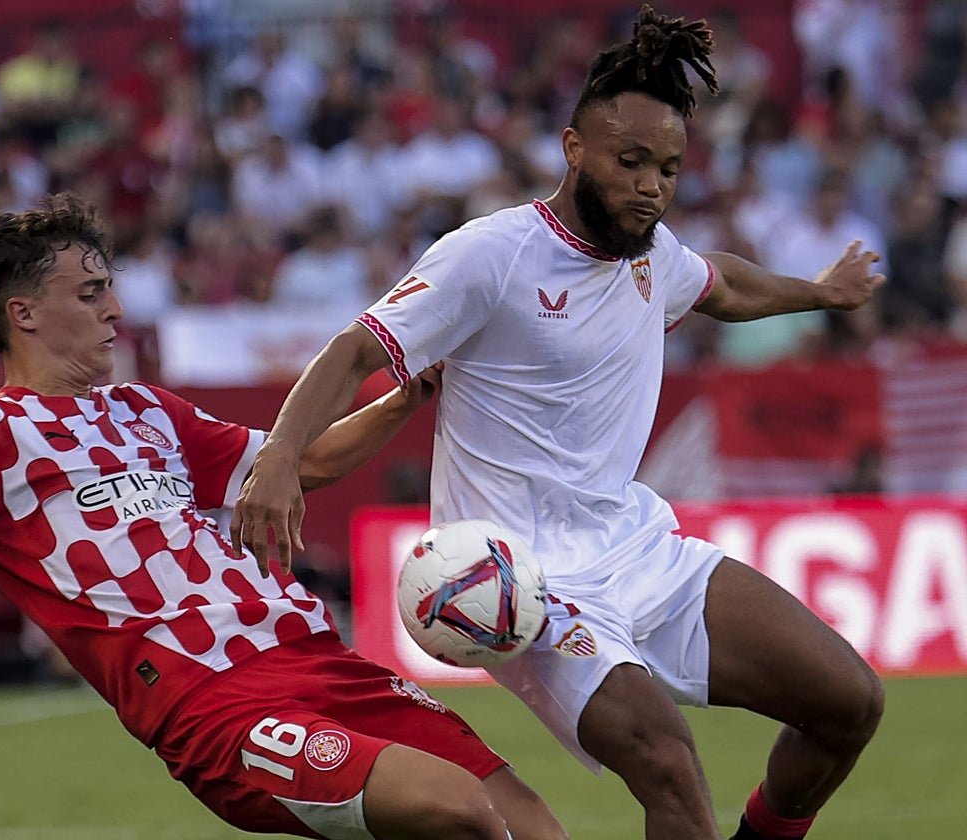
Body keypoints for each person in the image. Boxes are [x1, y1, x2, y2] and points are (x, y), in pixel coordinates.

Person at [230, 7, 886, 840]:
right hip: (523, 583)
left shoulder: (654, 253)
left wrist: (820, 292)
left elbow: (723, 284)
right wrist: (280, 456)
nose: (652, 183)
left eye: (670, 169)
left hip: (638, 548)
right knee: (669, 768)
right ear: (575, 151)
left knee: (850, 702)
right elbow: (356, 349)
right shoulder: (490, 256)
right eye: (631, 160)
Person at [0, 193, 568, 840]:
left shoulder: (147, 409)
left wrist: (405, 397)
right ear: (23, 314)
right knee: (456, 810)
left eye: (109, 288)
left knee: (528, 820)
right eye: (91, 294)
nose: (115, 309)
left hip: (319, 657)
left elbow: (302, 464)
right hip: (214, 697)